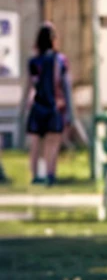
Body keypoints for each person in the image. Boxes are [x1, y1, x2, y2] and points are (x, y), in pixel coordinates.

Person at [26, 22, 72, 185]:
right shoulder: (60, 60)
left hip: (37, 106)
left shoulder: (34, 61)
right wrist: (69, 111)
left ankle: (35, 175)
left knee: (36, 143)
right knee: (52, 142)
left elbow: (31, 86)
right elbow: (65, 86)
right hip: (54, 106)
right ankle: (50, 173)